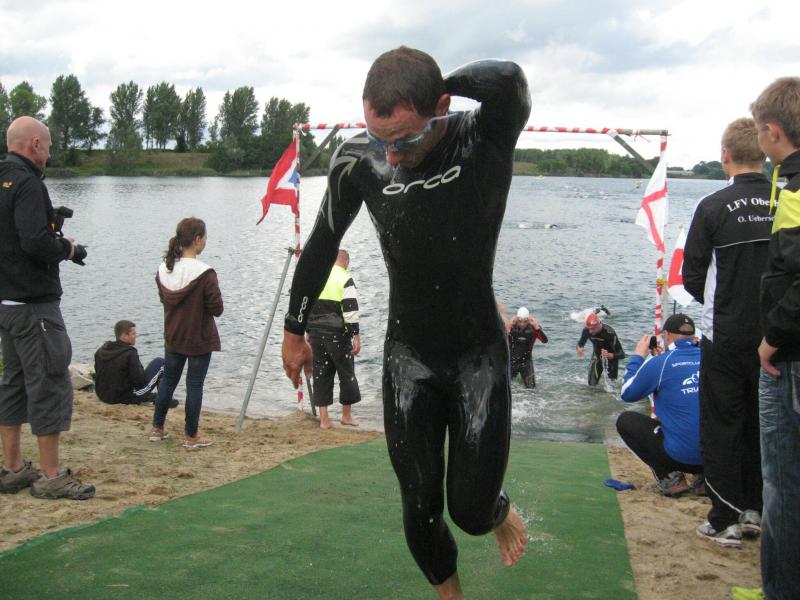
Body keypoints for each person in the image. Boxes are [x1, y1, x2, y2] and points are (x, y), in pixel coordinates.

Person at [281, 47, 530, 598]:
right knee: (418, 504)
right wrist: (293, 331)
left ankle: (496, 511)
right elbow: (321, 245)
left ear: (441, 107)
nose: (391, 155)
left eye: (405, 139)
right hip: (408, 357)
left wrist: (443, 80)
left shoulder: (482, 136)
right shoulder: (357, 160)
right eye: (381, 139)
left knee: (469, 510)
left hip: (477, 356)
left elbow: (509, 79)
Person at [683, 117, 772, 548]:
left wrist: (725, 304)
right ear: (763, 153)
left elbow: (692, 277)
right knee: (763, 424)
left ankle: (724, 517)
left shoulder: (713, 206)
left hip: (726, 334)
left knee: (722, 424)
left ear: (725, 155)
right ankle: (758, 508)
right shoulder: (786, 201)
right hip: (776, 336)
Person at [0, 116, 94, 500]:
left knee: (13, 382)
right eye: (49, 147)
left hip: (6, 303)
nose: (50, 155)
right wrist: (67, 248)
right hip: (34, 306)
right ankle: (52, 475)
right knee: (50, 382)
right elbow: (35, 242)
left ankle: (13, 467)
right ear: (35, 144)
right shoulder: (28, 184)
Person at [751, 77, 800, 599]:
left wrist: (772, 338)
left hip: (790, 356)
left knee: (784, 484)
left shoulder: (795, 187)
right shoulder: (784, 183)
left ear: (773, 131)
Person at [149, 217, 223, 449]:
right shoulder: (205, 273)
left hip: (174, 334)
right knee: (194, 385)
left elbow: (164, 300)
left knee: (168, 381)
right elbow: (217, 309)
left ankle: (157, 427)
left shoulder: (164, 269)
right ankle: (191, 435)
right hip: (199, 336)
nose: (206, 242)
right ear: (197, 239)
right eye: (205, 238)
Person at [617, 314, 703, 498]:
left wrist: (638, 357)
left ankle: (671, 478)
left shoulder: (661, 363)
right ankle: (704, 480)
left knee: (626, 421)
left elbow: (627, 393)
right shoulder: (710, 358)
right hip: (715, 456)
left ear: (667, 335)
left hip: (681, 456)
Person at [306, 249, 361, 429]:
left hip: (316, 333)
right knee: (346, 373)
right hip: (337, 335)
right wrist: (355, 335)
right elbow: (350, 310)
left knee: (321, 374)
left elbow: (308, 306)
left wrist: (308, 330)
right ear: (346, 262)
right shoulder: (345, 278)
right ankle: (346, 416)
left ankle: (324, 420)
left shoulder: (319, 276)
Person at [94, 320, 170, 406]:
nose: (136, 336)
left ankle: (160, 398)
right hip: (122, 397)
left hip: (102, 395)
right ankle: (164, 400)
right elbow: (139, 381)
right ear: (124, 336)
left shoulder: (101, 351)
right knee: (160, 363)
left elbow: (98, 374)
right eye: (133, 334)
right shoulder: (130, 353)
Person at [576, 313, 625, 386]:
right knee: (591, 385)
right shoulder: (586, 330)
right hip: (597, 356)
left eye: (592, 329)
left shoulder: (609, 333)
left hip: (612, 360)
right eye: (589, 328)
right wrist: (579, 348)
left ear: (599, 326)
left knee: (613, 386)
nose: (590, 331)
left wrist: (611, 355)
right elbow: (580, 344)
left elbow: (622, 354)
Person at [508, 306, 547, 388]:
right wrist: (509, 325)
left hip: (526, 363)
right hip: (512, 362)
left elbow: (544, 340)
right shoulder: (511, 328)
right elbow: (502, 339)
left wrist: (537, 327)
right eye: (520, 321)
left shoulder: (534, 329)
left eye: (525, 321)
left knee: (531, 389)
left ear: (528, 320)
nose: (522, 324)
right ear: (517, 319)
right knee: (504, 386)